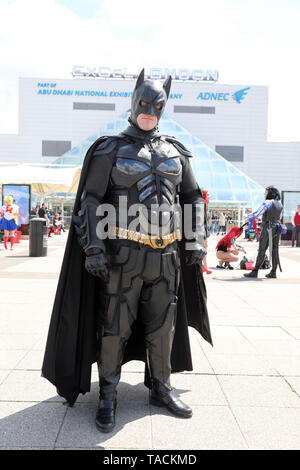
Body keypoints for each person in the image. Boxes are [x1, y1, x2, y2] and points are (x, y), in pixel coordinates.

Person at [42, 69, 212, 434]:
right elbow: (90, 200)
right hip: (123, 255)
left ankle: (161, 387)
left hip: (166, 257)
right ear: (133, 103)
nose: (149, 110)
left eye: (157, 105)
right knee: (113, 328)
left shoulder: (174, 151)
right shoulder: (110, 149)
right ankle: (107, 395)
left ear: (164, 108)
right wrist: (93, 248)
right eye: (144, 103)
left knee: (163, 328)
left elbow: (192, 197)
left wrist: (195, 239)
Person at [244, 186, 283, 278]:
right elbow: (279, 217)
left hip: (268, 228)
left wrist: (247, 216)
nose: (264, 194)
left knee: (262, 249)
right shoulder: (280, 204)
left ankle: (255, 271)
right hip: (277, 228)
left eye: (265, 193)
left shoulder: (267, 202)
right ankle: (273, 272)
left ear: (270, 193)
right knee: (275, 250)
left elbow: (258, 213)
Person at [201, 189, 212, 274]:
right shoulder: (203, 204)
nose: (209, 197)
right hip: (203, 230)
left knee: (204, 247)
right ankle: (204, 266)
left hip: (204, 229)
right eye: (207, 195)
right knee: (204, 247)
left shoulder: (205, 204)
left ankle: (204, 266)